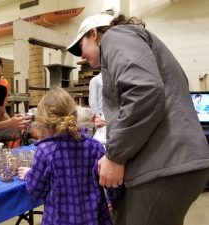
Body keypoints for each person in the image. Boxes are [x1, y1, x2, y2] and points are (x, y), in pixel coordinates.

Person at [67, 13, 209, 225]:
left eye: (81, 48)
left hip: (165, 166)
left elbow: (144, 92)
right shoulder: (140, 43)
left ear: (94, 34)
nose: (81, 57)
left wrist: (115, 156)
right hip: (176, 162)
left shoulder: (115, 37)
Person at [18, 86, 114, 225]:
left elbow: (37, 191)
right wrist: (113, 202)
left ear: (43, 123)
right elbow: (111, 183)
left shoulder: (45, 151)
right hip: (94, 219)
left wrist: (29, 174)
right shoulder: (95, 147)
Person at [89, 72, 107, 144]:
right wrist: (97, 116)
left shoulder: (113, 80)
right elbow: (93, 100)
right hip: (101, 116)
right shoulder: (95, 80)